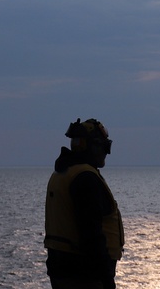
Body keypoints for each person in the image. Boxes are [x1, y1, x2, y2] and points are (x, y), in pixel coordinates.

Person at [44, 118, 124, 289]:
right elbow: (91, 233)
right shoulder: (85, 178)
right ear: (92, 146)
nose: (106, 153)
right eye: (105, 147)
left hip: (63, 269)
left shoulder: (62, 173)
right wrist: (106, 279)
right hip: (84, 274)